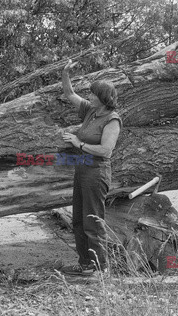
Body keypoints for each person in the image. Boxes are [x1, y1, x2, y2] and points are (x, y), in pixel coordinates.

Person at [60, 59, 122, 276]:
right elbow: (69, 94)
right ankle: (85, 264)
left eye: (93, 94)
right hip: (82, 170)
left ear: (102, 98)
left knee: (93, 222)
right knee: (78, 220)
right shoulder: (90, 111)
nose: (89, 97)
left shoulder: (112, 119)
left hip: (97, 173)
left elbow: (106, 150)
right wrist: (65, 73)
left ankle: (100, 268)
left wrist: (80, 144)